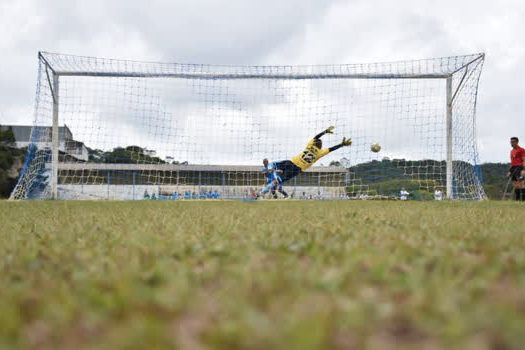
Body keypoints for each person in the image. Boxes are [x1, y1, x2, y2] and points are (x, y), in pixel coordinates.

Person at [258, 126, 351, 196]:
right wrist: (342, 144)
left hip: (290, 162)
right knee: (277, 182)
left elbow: (316, 136)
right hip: (296, 169)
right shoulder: (320, 153)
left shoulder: (309, 145)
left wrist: (325, 131)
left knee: (273, 164)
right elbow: (332, 149)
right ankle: (262, 192)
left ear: (314, 143)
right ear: (321, 146)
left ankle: (268, 173)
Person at [508, 137, 525, 201]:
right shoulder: (512, 151)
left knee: (521, 184)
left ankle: (523, 200)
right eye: (511, 142)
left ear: (517, 142)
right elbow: (512, 162)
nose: (512, 143)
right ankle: (517, 200)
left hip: (519, 167)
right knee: (515, 185)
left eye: (513, 142)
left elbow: (524, 160)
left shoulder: (521, 150)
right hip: (513, 168)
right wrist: (510, 170)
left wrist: (523, 170)